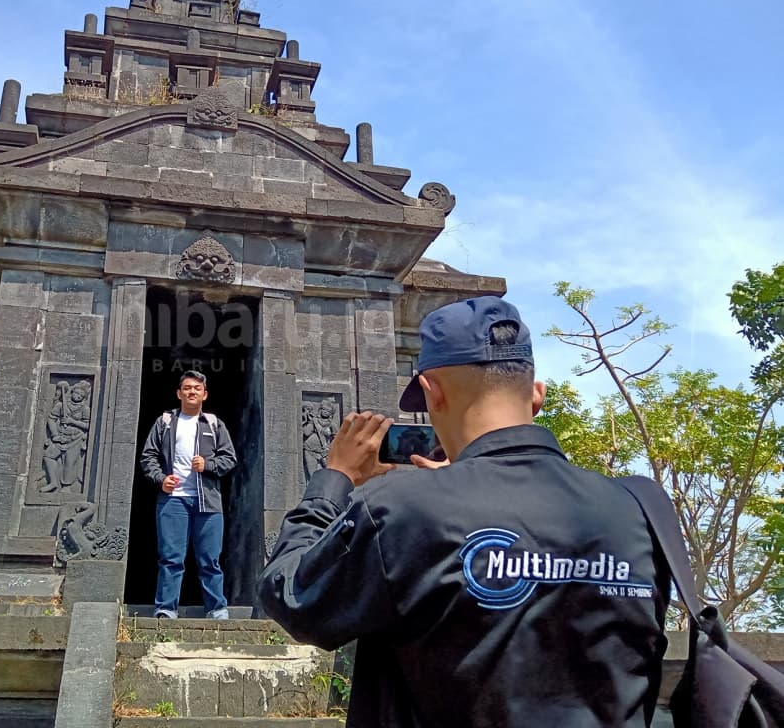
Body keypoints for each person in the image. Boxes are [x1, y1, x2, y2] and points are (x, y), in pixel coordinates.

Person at [257, 296, 670, 727]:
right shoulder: (639, 509)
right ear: (536, 396)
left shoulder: (404, 508)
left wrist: (335, 479)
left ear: (432, 394)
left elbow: (291, 597)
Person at [139, 370, 238, 619]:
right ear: (178, 393)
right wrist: (161, 479)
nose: (191, 391)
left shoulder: (214, 424)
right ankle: (166, 608)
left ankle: (216, 608)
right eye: (186, 388)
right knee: (171, 558)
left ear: (205, 394)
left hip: (208, 501)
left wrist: (208, 465)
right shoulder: (165, 422)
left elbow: (230, 459)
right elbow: (148, 456)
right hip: (173, 500)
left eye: (196, 388)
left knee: (210, 559)